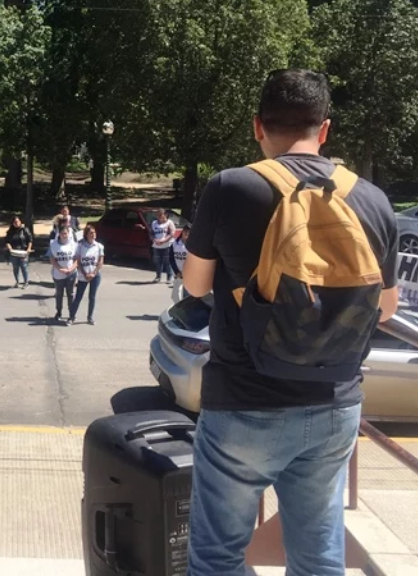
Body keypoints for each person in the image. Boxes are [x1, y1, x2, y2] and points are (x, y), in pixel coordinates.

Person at [181, 69, 399, 576]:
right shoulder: (371, 199)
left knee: (217, 555)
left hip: (243, 401)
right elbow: (384, 309)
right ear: (325, 129)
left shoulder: (230, 187)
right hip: (334, 404)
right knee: (319, 554)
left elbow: (194, 286)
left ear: (258, 127)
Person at [70, 224, 103, 325]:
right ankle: (72, 317)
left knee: (92, 297)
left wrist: (93, 273)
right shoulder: (80, 246)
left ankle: (90, 317)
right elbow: (78, 262)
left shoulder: (99, 246)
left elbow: (100, 261)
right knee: (78, 296)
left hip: (95, 275)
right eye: (91, 233)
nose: (93, 235)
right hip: (83, 274)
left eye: (94, 232)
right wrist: (85, 274)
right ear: (86, 235)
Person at [49, 225, 77, 323]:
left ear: (68, 234)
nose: (64, 235)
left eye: (66, 233)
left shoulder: (73, 244)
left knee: (70, 294)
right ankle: (59, 312)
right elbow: (52, 259)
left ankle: (71, 314)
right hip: (58, 274)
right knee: (59, 294)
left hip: (71, 274)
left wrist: (71, 269)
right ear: (59, 234)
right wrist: (60, 269)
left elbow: (77, 259)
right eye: (62, 233)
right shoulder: (53, 244)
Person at [5, 217, 33, 288]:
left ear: (20, 222)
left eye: (17, 221)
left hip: (23, 251)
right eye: (15, 222)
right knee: (15, 268)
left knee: (24, 267)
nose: (16, 223)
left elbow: (30, 240)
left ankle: (26, 282)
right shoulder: (10, 231)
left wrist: (29, 249)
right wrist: (10, 248)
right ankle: (17, 281)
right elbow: (7, 241)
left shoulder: (25, 230)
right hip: (14, 252)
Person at [150, 209, 176, 284]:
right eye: (158, 215)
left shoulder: (169, 222)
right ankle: (158, 277)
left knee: (168, 262)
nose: (160, 217)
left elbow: (172, 233)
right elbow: (151, 233)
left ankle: (169, 277)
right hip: (156, 246)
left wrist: (163, 241)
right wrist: (154, 240)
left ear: (165, 215)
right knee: (158, 262)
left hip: (167, 245)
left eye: (161, 215)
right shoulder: (154, 223)